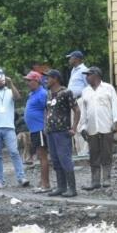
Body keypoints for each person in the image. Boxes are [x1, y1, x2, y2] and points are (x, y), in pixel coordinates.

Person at [0, 68, 29, 189]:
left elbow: (17, 97)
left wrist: (11, 83)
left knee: (14, 151)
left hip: (8, 127)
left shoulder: (9, 91)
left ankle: (21, 177)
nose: (0, 80)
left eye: (2, 77)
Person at [78, 67, 117, 191]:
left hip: (106, 126)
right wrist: (82, 127)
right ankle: (95, 181)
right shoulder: (85, 91)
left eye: (88, 75)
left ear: (96, 75)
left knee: (106, 153)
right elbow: (84, 111)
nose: (86, 77)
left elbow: (115, 105)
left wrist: (116, 122)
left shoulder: (108, 88)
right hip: (91, 127)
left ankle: (106, 179)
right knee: (93, 154)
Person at [45, 69, 80, 198]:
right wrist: (46, 125)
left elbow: (76, 110)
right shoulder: (48, 94)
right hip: (51, 131)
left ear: (55, 79)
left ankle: (72, 188)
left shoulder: (66, 92)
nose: (46, 80)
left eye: (48, 78)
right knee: (55, 160)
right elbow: (47, 111)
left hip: (62, 131)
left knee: (65, 159)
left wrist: (74, 128)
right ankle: (61, 186)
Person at [24, 71, 51, 193]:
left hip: (40, 128)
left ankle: (45, 184)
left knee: (42, 156)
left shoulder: (42, 94)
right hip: (34, 129)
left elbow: (48, 110)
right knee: (40, 156)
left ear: (37, 81)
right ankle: (42, 181)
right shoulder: (33, 94)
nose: (28, 83)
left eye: (30, 80)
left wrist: (46, 126)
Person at [67, 50, 89, 157]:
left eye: (71, 57)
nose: (69, 60)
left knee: (81, 125)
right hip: (73, 102)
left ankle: (85, 151)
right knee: (74, 126)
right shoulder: (73, 71)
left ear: (77, 59)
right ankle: (80, 151)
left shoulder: (84, 70)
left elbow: (88, 86)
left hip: (80, 100)